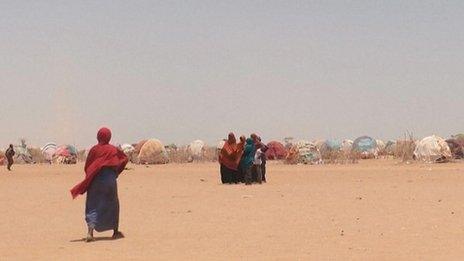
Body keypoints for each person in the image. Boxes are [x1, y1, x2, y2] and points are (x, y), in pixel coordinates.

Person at [70, 127, 128, 242]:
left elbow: (88, 165)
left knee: (93, 204)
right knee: (112, 204)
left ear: (98, 136)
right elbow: (124, 159)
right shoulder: (113, 149)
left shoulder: (94, 150)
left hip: (96, 179)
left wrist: (91, 174)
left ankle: (90, 233)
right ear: (109, 137)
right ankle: (115, 232)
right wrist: (115, 172)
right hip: (110, 180)